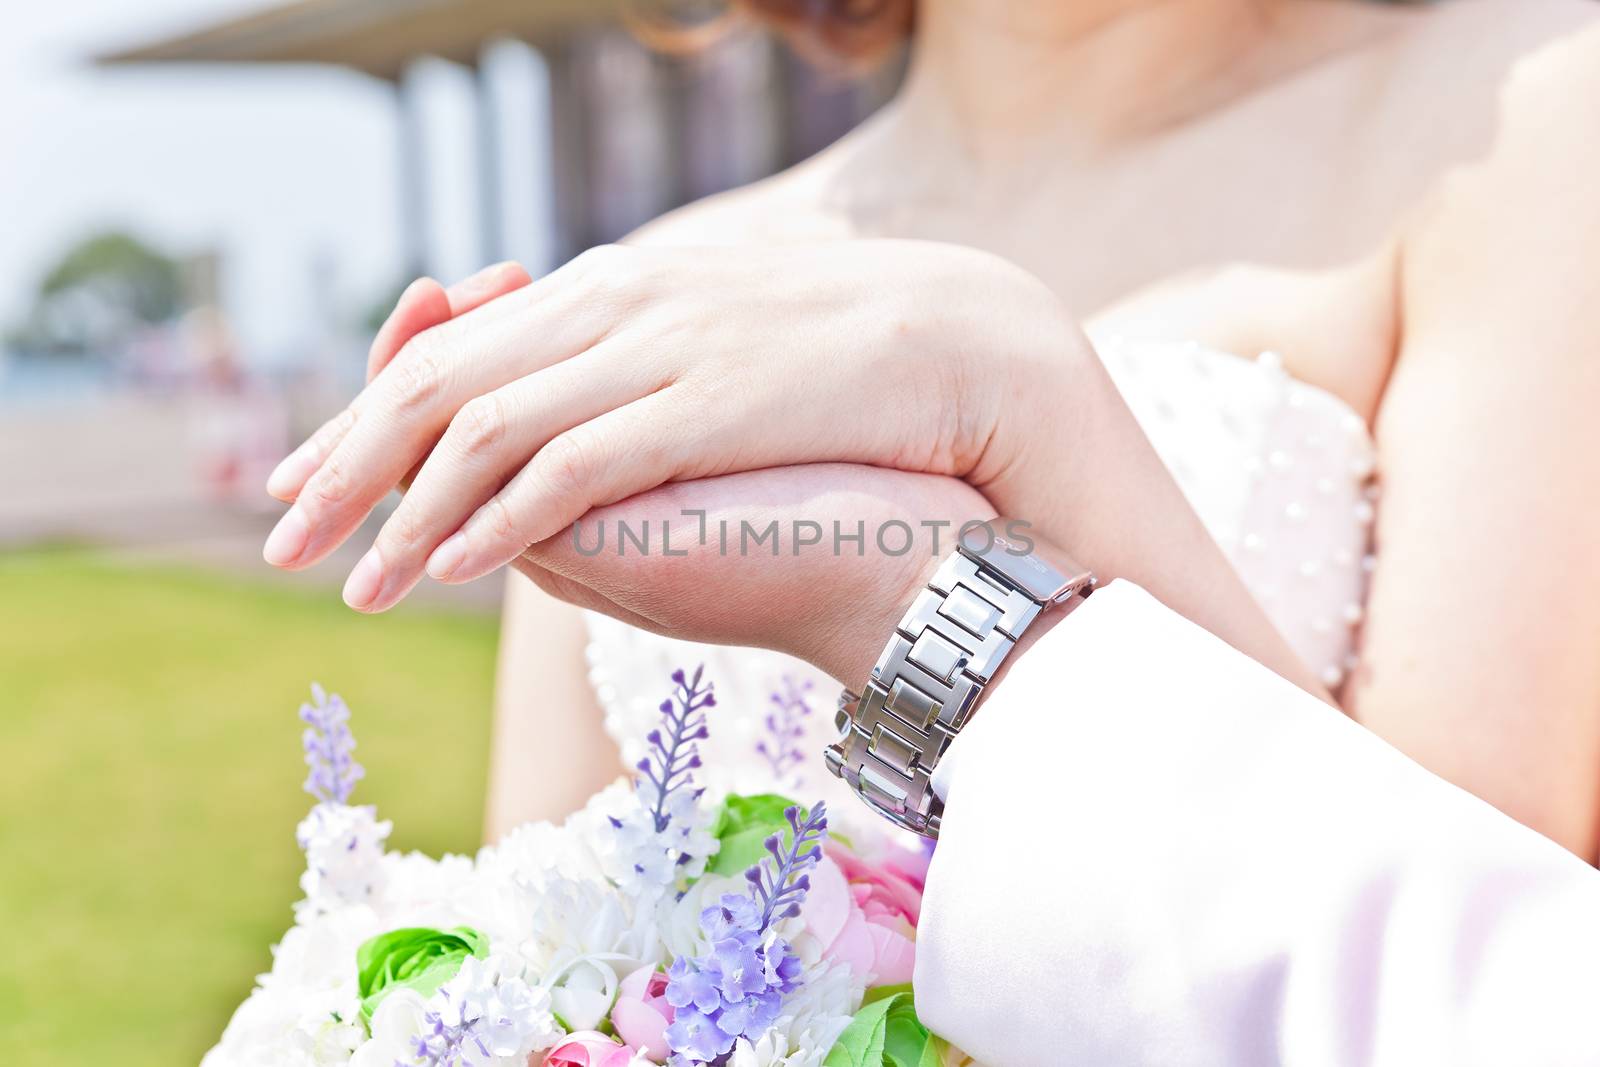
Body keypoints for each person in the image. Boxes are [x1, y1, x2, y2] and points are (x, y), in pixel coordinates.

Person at [260, 1, 1600, 1060]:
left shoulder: (1537, 113)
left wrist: (1023, 408)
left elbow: (1459, 978)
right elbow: (547, 944)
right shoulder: (667, 281)